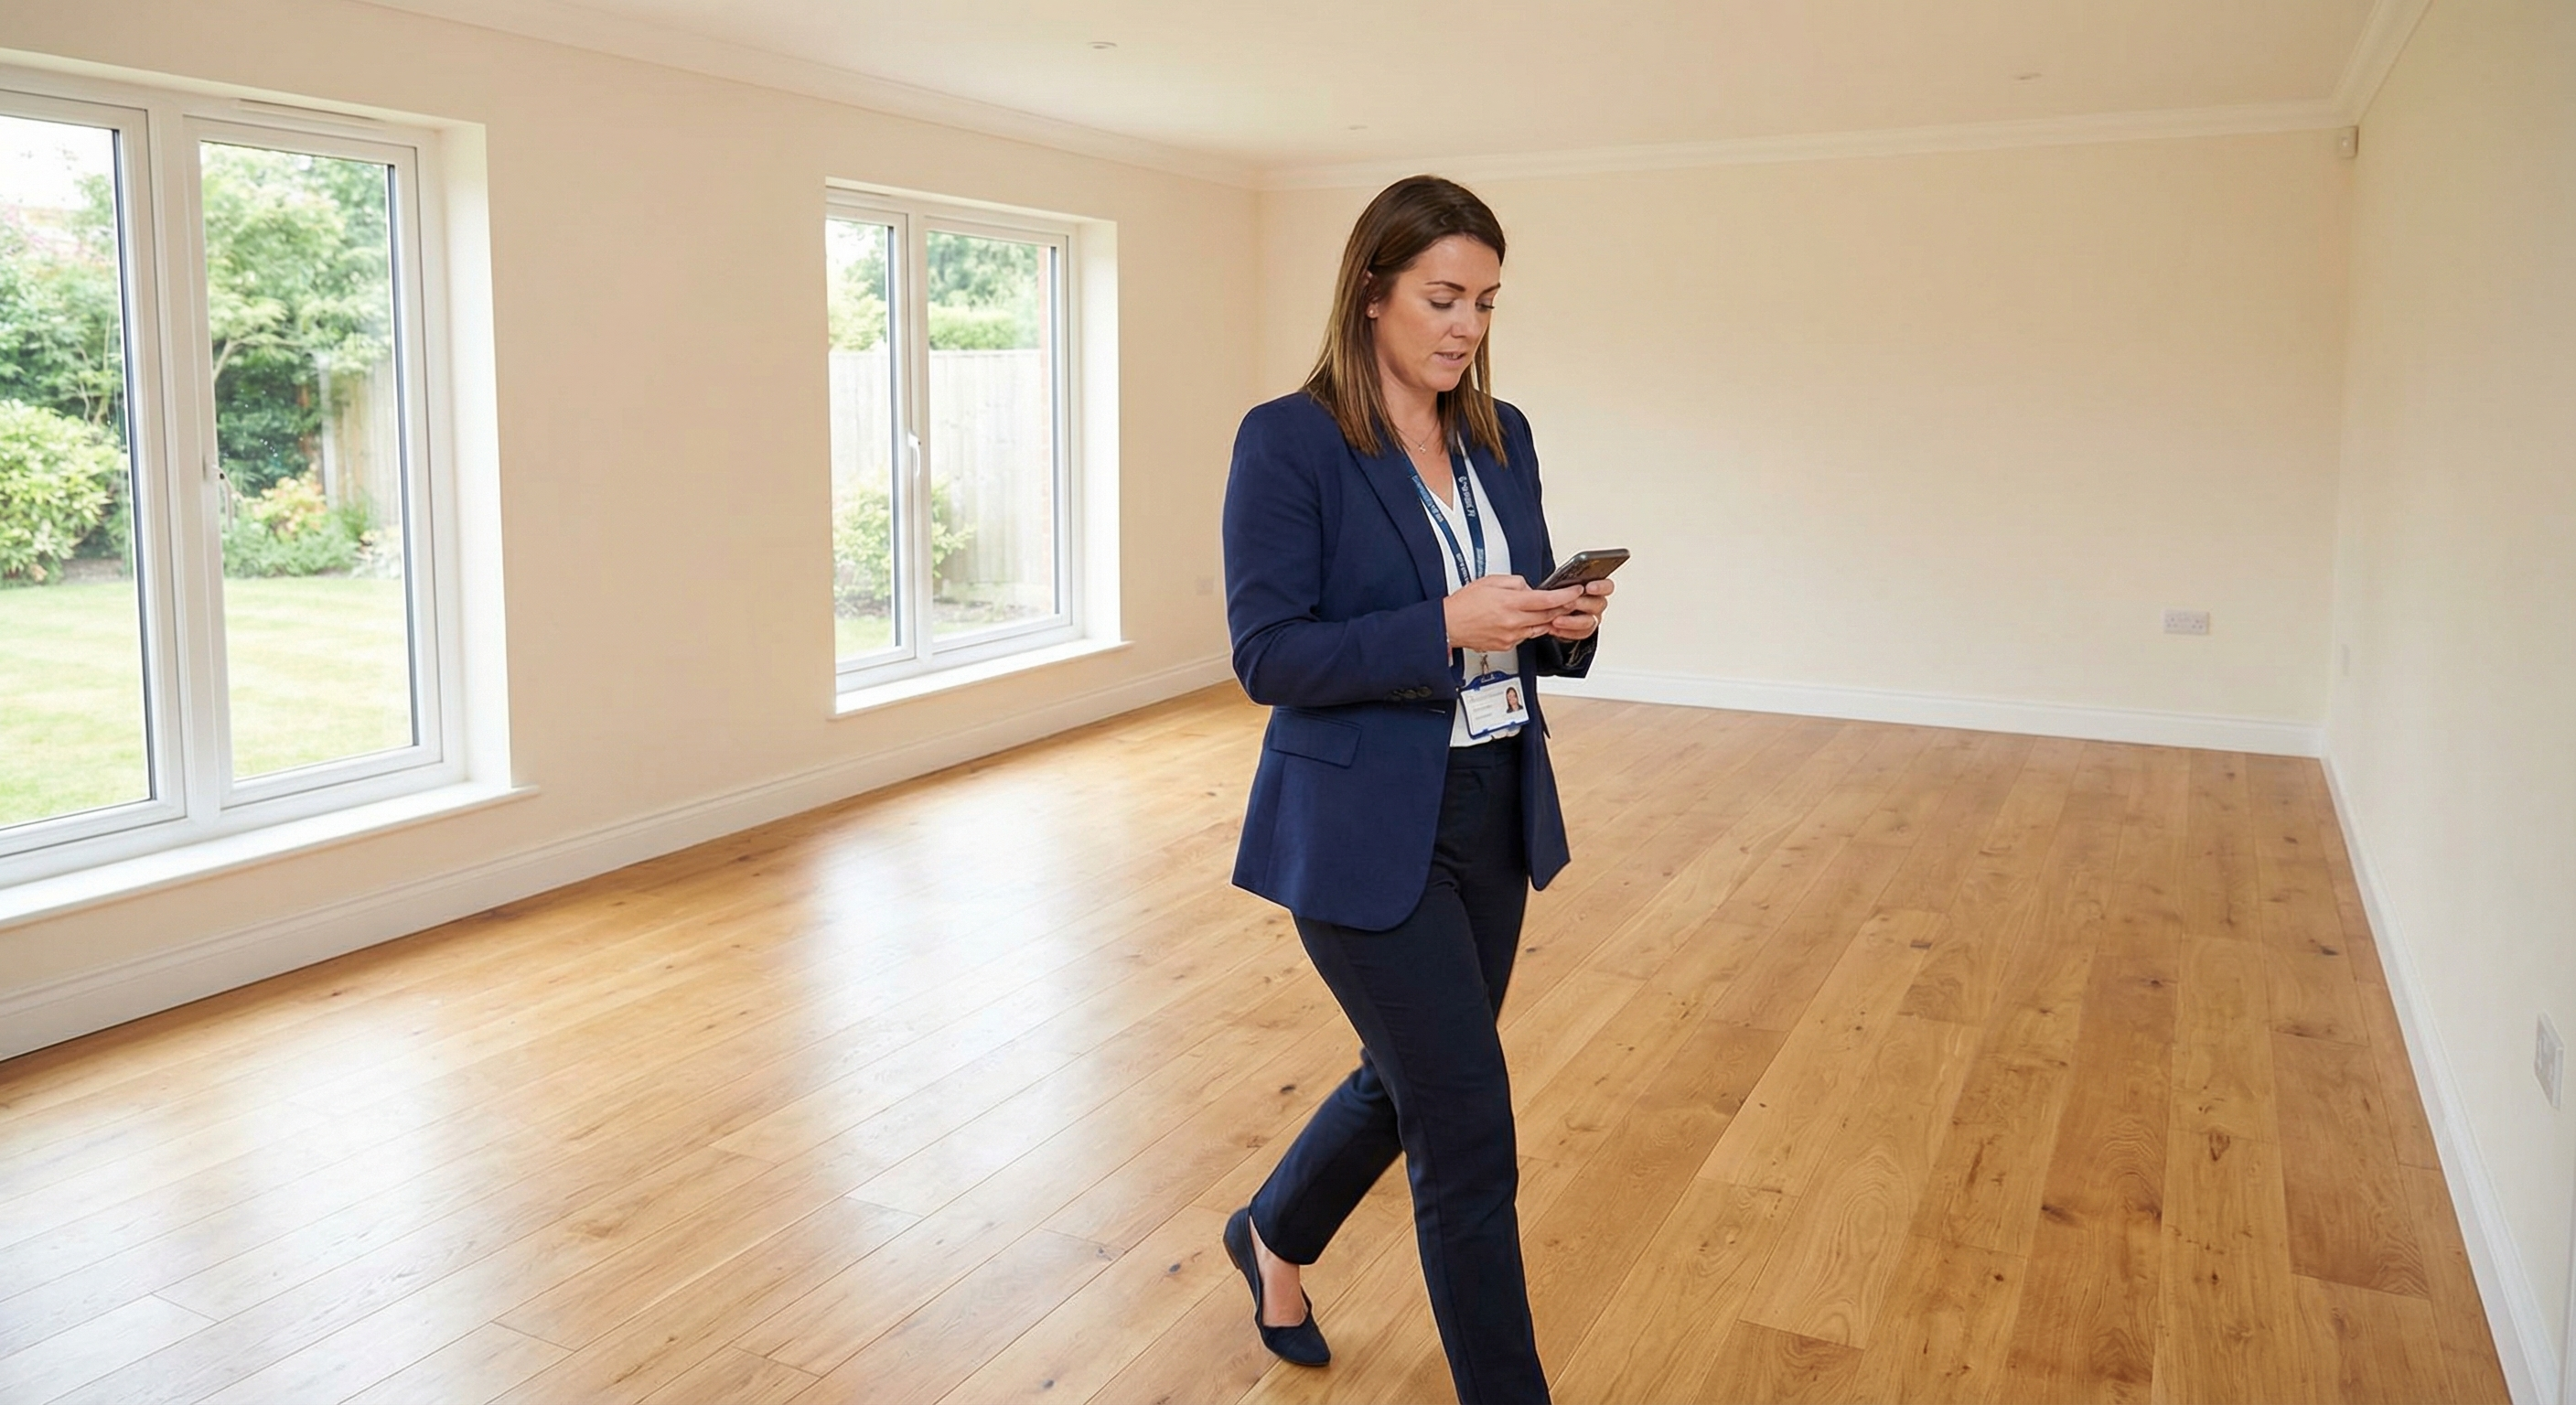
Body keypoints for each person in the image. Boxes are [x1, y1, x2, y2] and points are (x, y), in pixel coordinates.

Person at [1217, 175, 1612, 1405]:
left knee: (1413, 1078)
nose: (1465, 327)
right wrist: (1441, 621)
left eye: (1485, 304)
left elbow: (1527, 638)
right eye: (1444, 297)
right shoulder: (1289, 440)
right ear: (1373, 290)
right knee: (1466, 1129)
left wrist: (1566, 620)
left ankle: (1273, 1233)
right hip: (1354, 827)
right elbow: (1268, 655)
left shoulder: (1505, 436)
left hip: (1490, 806)